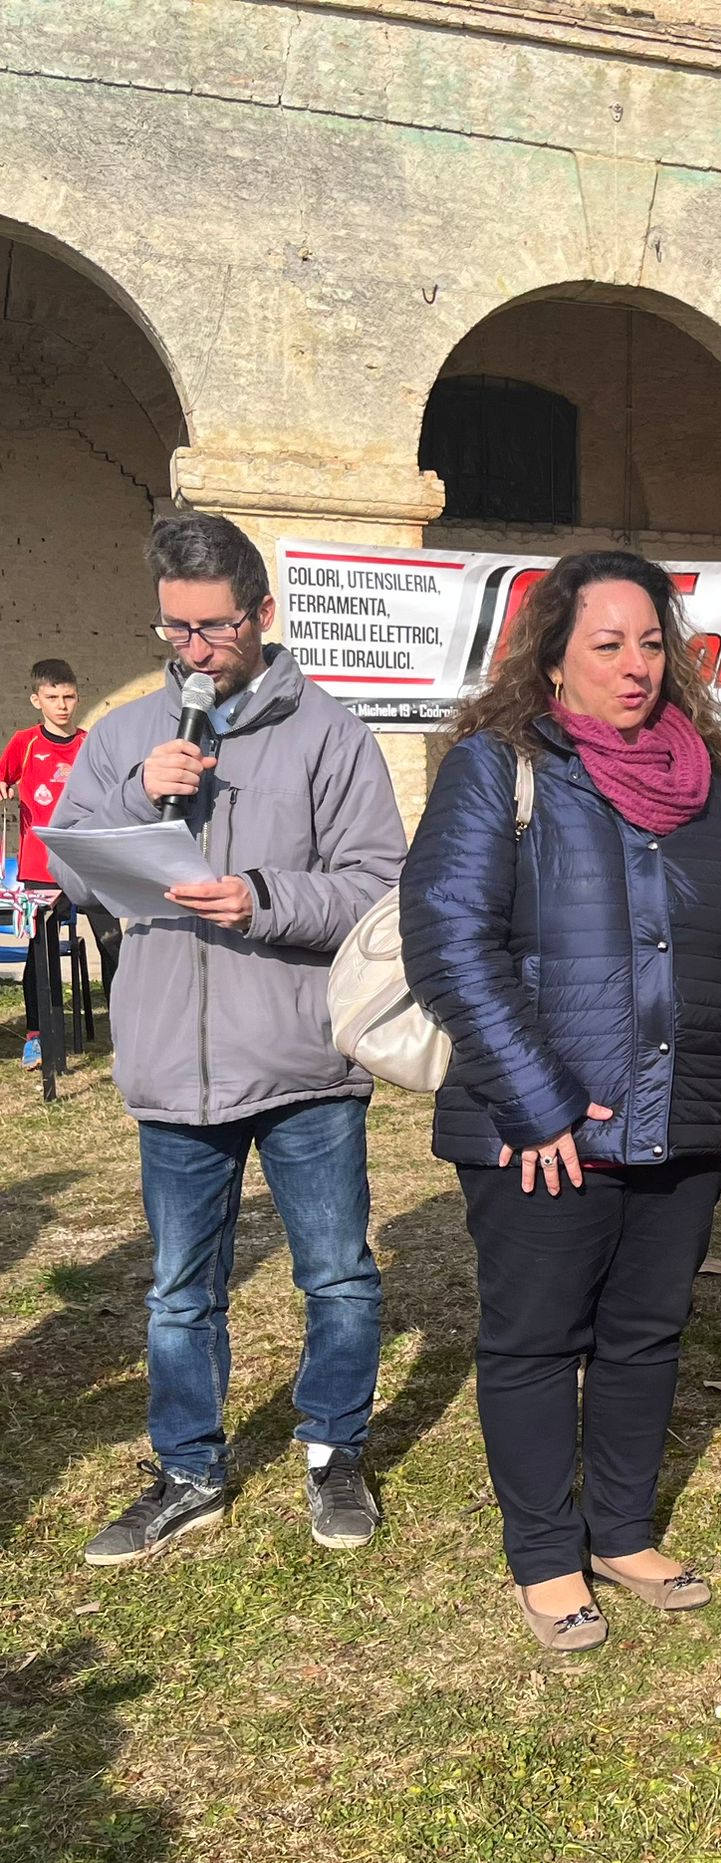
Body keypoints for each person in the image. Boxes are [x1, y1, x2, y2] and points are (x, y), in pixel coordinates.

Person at [401, 551, 721, 1653]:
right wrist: (539, 1101)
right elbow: (449, 945)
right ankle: (545, 1554)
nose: (636, 666)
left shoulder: (702, 781)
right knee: (535, 1341)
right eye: (608, 644)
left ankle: (620, 1532)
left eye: (653, 643)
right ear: (553, 659)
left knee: (645, 1334)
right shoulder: (496, 767)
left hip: (681, 1115)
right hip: (541, 1132)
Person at [47, 514, 406, 1564]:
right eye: (175, 629)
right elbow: (69, 869)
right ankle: (189, 1471)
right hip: (173, 1062)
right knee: (178, 1290)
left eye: (213, 628)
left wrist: (262, 897)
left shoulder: (330, 734)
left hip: (301, 1060)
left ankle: (334, 1450)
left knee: (336, 1275)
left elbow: (379, 886)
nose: (193, 650)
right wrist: (135, 795)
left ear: (261, 613)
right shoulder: (122, 735)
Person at [2, 658, 123, 1066]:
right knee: (41, 954)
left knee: (114, 944)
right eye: (52, 697)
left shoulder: (90, 743)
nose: (62, 705)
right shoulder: (24, 742)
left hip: (88, 863)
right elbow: (3, 776)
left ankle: (125, 1031)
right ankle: (37, 1035)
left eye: (68, 696)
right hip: (40, 868)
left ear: (77, 697)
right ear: (36, 700)